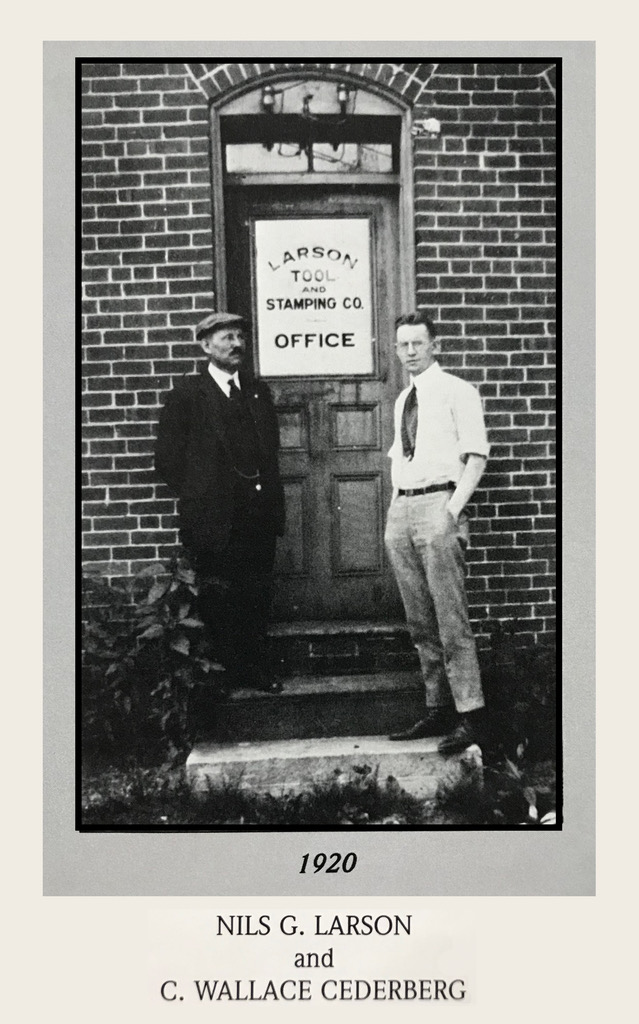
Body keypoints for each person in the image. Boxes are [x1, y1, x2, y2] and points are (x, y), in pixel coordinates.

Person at [154, 311, 285, 694]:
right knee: (217, 597)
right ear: (205, 345)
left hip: (256, 516)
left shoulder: (257, 393)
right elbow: (167, 460)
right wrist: (201, 493)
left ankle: (255, 670)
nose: (236, 344)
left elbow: (269, 450)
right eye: (226, 337)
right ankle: (223, 674)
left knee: (256, 594)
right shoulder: (187, 396)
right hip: (212, 519)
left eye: (240, 337)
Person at [385, 312, 490, 754]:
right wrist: (395, 506)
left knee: (451, 619)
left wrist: (452, 510)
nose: (409, 352)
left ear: (435, 345)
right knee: (420, 621)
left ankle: (472, 717)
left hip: (440, 506)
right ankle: (437, 708)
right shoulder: (402, 399)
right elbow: (399, 457)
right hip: (404, 509)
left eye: (417, 343)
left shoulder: (458, 391)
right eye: (402, 345)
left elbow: (477, 456)